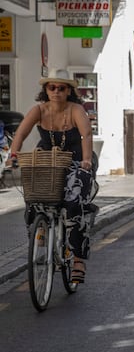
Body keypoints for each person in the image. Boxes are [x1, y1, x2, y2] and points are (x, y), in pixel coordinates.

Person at [7, 68, 97, 284]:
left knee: (74, 204)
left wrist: (86, 161)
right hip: (48, 160)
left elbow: (86, 134)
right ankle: (41, 236)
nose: (56, 91)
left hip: (77, 159)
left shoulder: (76, 110)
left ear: (69, 91)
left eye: (61, 88)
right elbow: (21, 132)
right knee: (34, 198)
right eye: (51, 87)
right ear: (46, 90)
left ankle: (77, 259)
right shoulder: (39, 110)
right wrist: (12, 155)